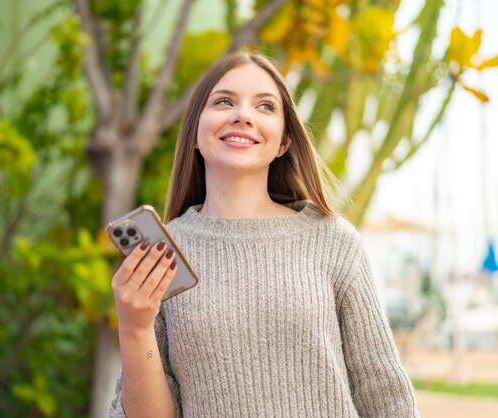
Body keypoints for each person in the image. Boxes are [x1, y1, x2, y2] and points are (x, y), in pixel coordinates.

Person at [108, 51, 419, 418]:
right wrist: (135, 328)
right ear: (194, 133)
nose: (243, 115)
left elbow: (384, 395)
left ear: (284, 142)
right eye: (224, 101)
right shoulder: (167, 254)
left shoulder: (333, 241)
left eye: (265, 106)